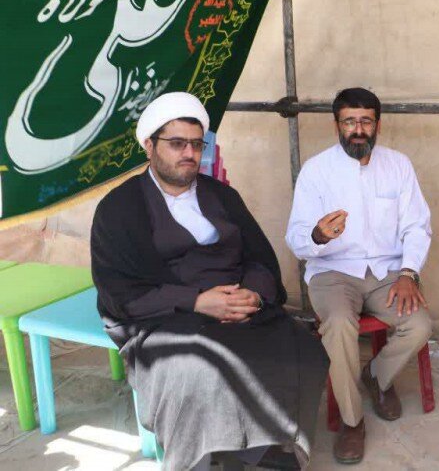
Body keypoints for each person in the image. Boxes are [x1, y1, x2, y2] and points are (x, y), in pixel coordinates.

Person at [90, 92, 329, 471]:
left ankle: (268, 450)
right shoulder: (119, 208)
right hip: (165, 316)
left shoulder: (222, 195)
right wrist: (198, 301)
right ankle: (207, 458)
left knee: (301, 349)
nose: (189, 153)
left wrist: (253, 294)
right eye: (177, 143)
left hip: (236, 304)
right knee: (198, 371)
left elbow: (259, 258)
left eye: (196, 144)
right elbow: (120, 291)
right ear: (149, 145)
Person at [285, 87, 433, 465]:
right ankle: (352, 422)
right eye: (349, 121)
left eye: (366, 121)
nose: (358, 129)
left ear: (378, 125)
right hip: (333, 271)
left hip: (386, 272)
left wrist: (409, 273)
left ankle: (377, 376)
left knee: (419, 324)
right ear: (337, 125)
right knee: (338, 325)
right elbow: (296, 238)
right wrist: (318, 236)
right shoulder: (317, 170)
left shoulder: (398, 165)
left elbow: (417, 226)